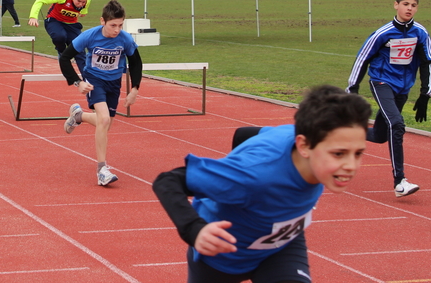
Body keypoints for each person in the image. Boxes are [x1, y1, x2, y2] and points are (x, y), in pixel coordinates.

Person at [153, 85, 371, 283]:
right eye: (338, 154)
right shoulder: (253, 176)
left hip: (280, 248)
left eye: (358, 153)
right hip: (221, 254)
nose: (351, 165)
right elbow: (167, 181)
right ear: (303, 146)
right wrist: (195, 230)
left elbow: (245, 134)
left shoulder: (297, 135)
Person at [347, 0, 431, 197]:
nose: (409, 8)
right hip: (381, 82)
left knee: (379, 135)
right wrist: (352, 89)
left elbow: (428, 62)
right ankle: (400, 181)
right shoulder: (383, 33)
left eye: (413, 5)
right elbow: (363, 58)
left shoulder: (420, 33)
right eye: (405, 4)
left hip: (403, 88)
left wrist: (425, 94)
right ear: (396, 5)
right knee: (397, 124)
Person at [60, 0, 142, 186]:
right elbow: (64, 58)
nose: (117, 30)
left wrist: (135, 88)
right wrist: (77, 82)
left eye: (121, 25)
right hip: (94, 80)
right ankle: (102, 170)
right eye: (113, 25)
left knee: (105, 124)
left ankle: (79, 116)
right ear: (102, 21)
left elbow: (136, 62)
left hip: (114, 82)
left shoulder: (125, 39)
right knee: (104, 120)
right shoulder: (88, 36)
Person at [28, 0, 92, 74]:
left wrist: (84, 12)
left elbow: (84, 11)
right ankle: (62, 52)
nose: (80, 4)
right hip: (54, 21)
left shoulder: (88, 0)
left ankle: (88, 78)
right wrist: (33, 16)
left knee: (79, 48)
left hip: (71, 24)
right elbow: (40, 0)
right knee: (60, 36)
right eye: (78, 1)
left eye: (83, 2)